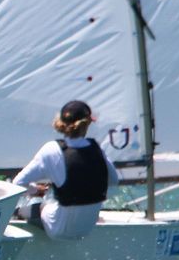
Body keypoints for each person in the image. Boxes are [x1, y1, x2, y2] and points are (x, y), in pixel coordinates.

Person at [12, 99, 119, 239]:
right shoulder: (96, 149)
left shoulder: (51, 149)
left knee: (30, 208)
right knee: (57, 202)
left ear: (60, 123)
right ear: (87, 124)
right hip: (86, 229)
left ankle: (17, 216)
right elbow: (114, 182)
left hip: (57, 230)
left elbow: (18, 184)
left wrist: (36, 190)